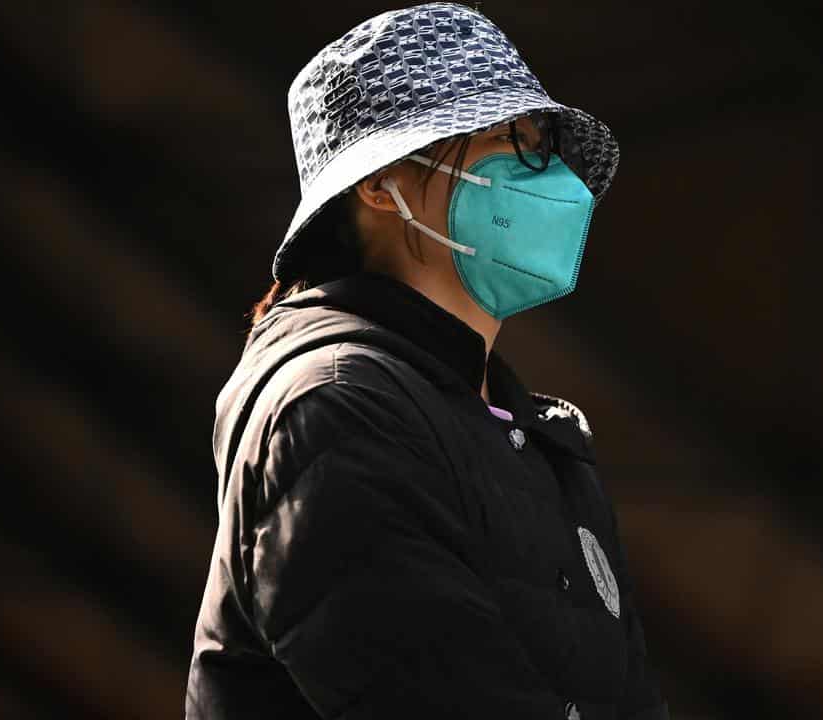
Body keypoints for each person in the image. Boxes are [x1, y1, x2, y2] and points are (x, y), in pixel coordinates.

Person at [183, 4, 668, 719]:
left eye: (540, 141)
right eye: (506, 137)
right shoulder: (332, 407)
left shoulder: (538, 439)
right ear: (380, 185)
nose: (549, 175)